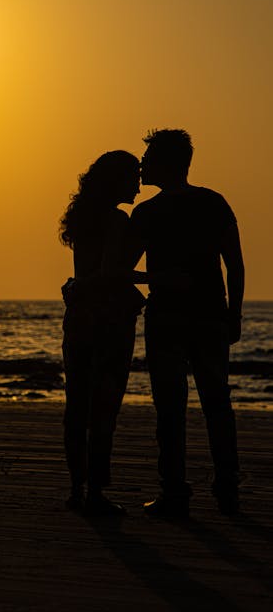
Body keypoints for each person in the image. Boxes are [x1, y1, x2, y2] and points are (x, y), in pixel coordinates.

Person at [129, 129, 245, 518]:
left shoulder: (146, 213)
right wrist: (235, 313)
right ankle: (226, 488)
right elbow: (236, 264)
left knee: (171, 407)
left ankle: (176, 492)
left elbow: (120, 270)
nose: (142, 166)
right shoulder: (213, 202)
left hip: (169, 320)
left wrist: (155, 280)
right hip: (210, 314)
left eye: (147, 159)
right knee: (216, 403)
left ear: (165, 163)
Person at [59, 151, 146, 515]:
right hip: (108, 322)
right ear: (116, 181)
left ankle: (78, 488)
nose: (138, 185)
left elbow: (90, 272)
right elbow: (111, 272)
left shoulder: (84, 218)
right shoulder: (116, 220)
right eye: (132, 178)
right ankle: (95, 492)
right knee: (104, 406)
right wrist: (159, 278)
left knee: (77, 406)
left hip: (79, 320)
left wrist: (76, 286)